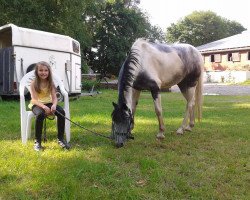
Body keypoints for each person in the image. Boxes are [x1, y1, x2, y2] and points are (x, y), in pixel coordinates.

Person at [29, 61, 70, 151]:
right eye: (41, 70)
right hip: (37, 104)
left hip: (49, 103)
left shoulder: (50, 83)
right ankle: (37, 142)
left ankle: (60, 139)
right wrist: (44, 107)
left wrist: (54, 105)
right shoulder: (33, 83)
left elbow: (54, 98)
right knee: (40, 114)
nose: (43, 72)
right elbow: (34, 100)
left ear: (49, 72)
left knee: (61, 112)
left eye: (46, 70)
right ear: (37, 71)